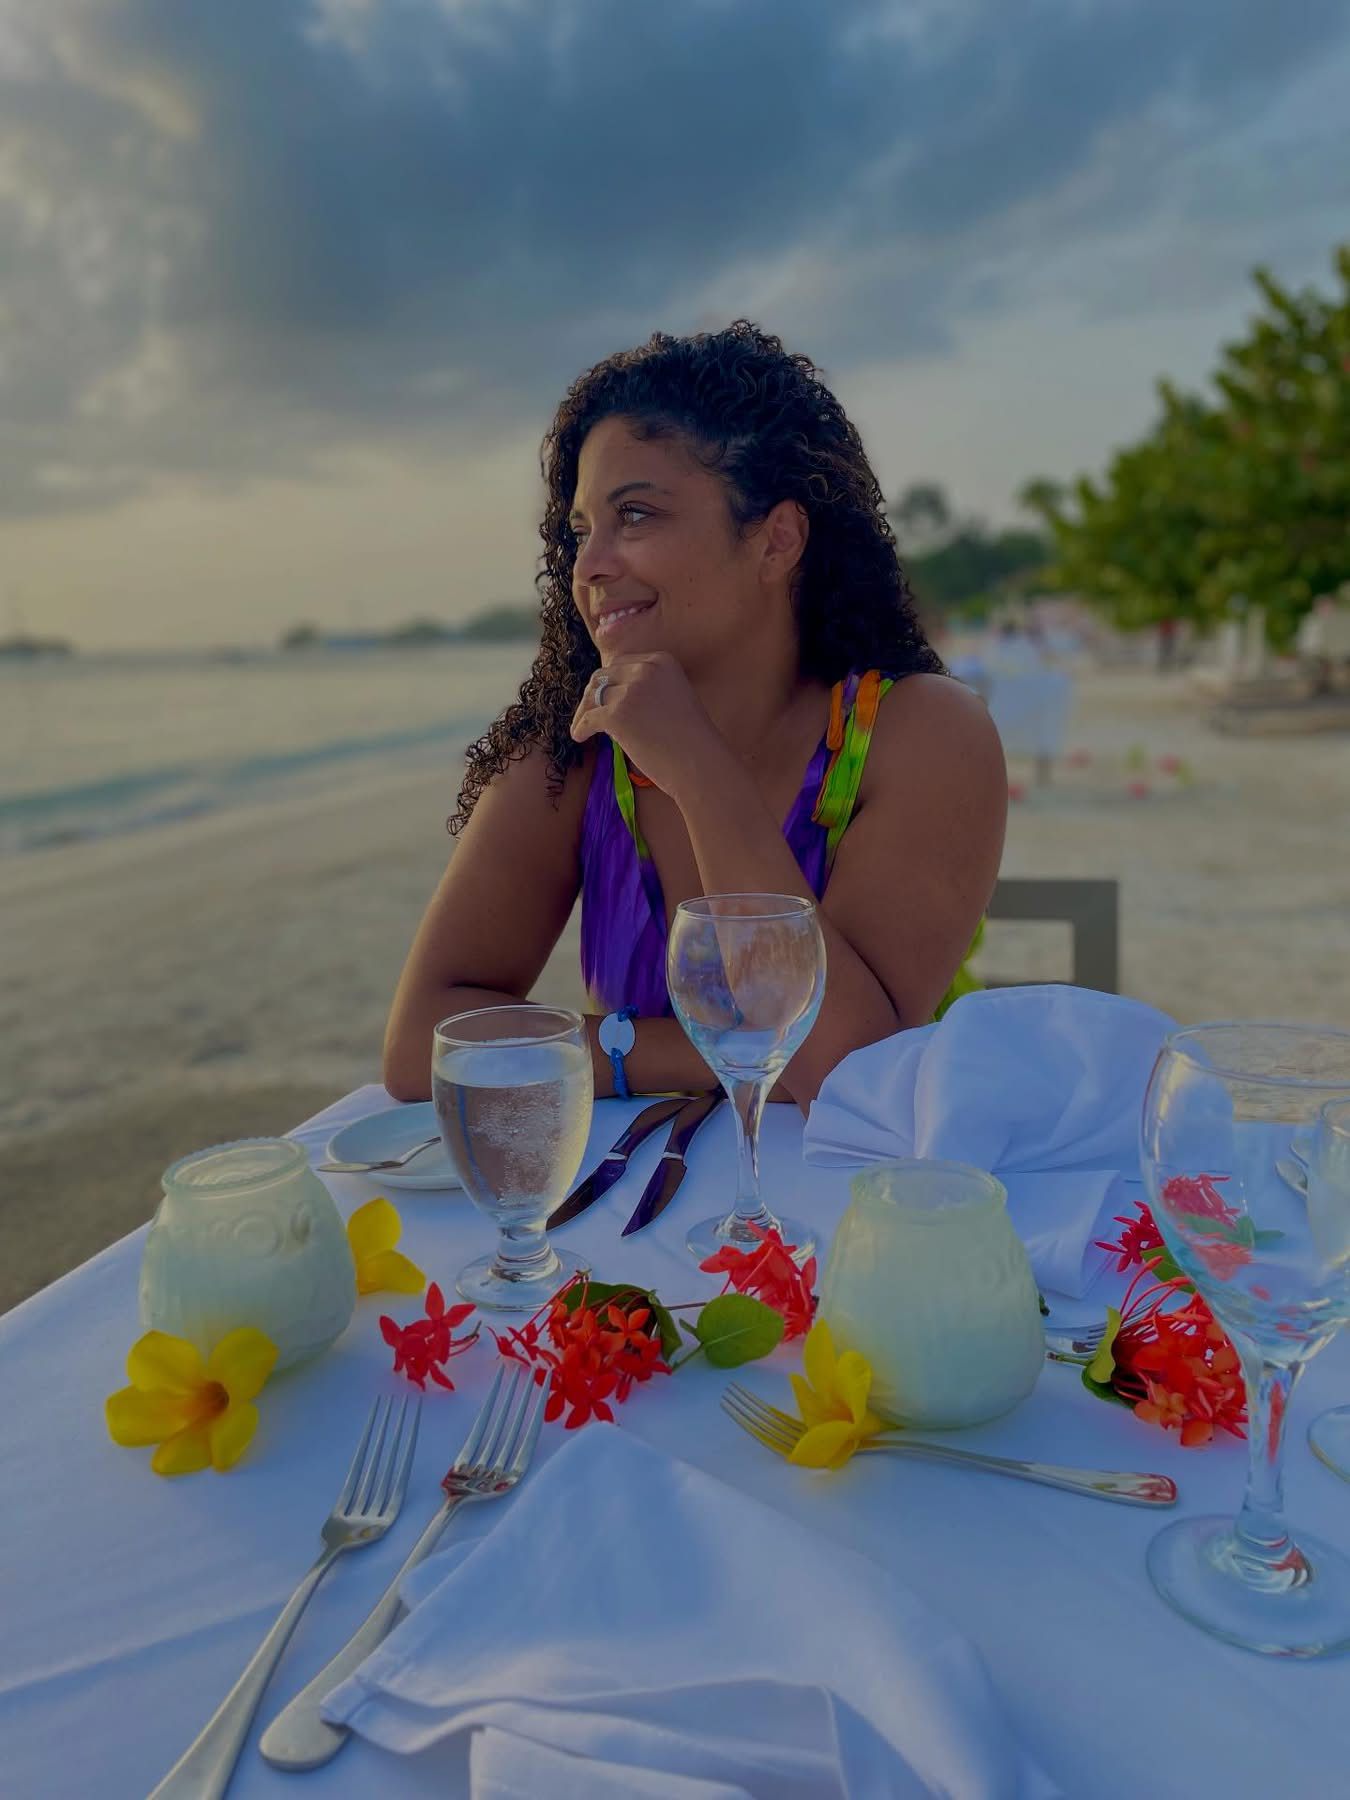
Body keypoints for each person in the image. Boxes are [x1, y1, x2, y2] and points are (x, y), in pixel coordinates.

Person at [384, 322, 1007, 1111]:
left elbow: (843, 1071)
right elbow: (419, 1048)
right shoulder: (574, 752)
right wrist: (712, 1054)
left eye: (635, 515)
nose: (589, 565)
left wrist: (695, 766)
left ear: (777, 540)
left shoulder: (921, 737)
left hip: (880, 1204)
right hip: (643, 1216)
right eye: (580, 531)